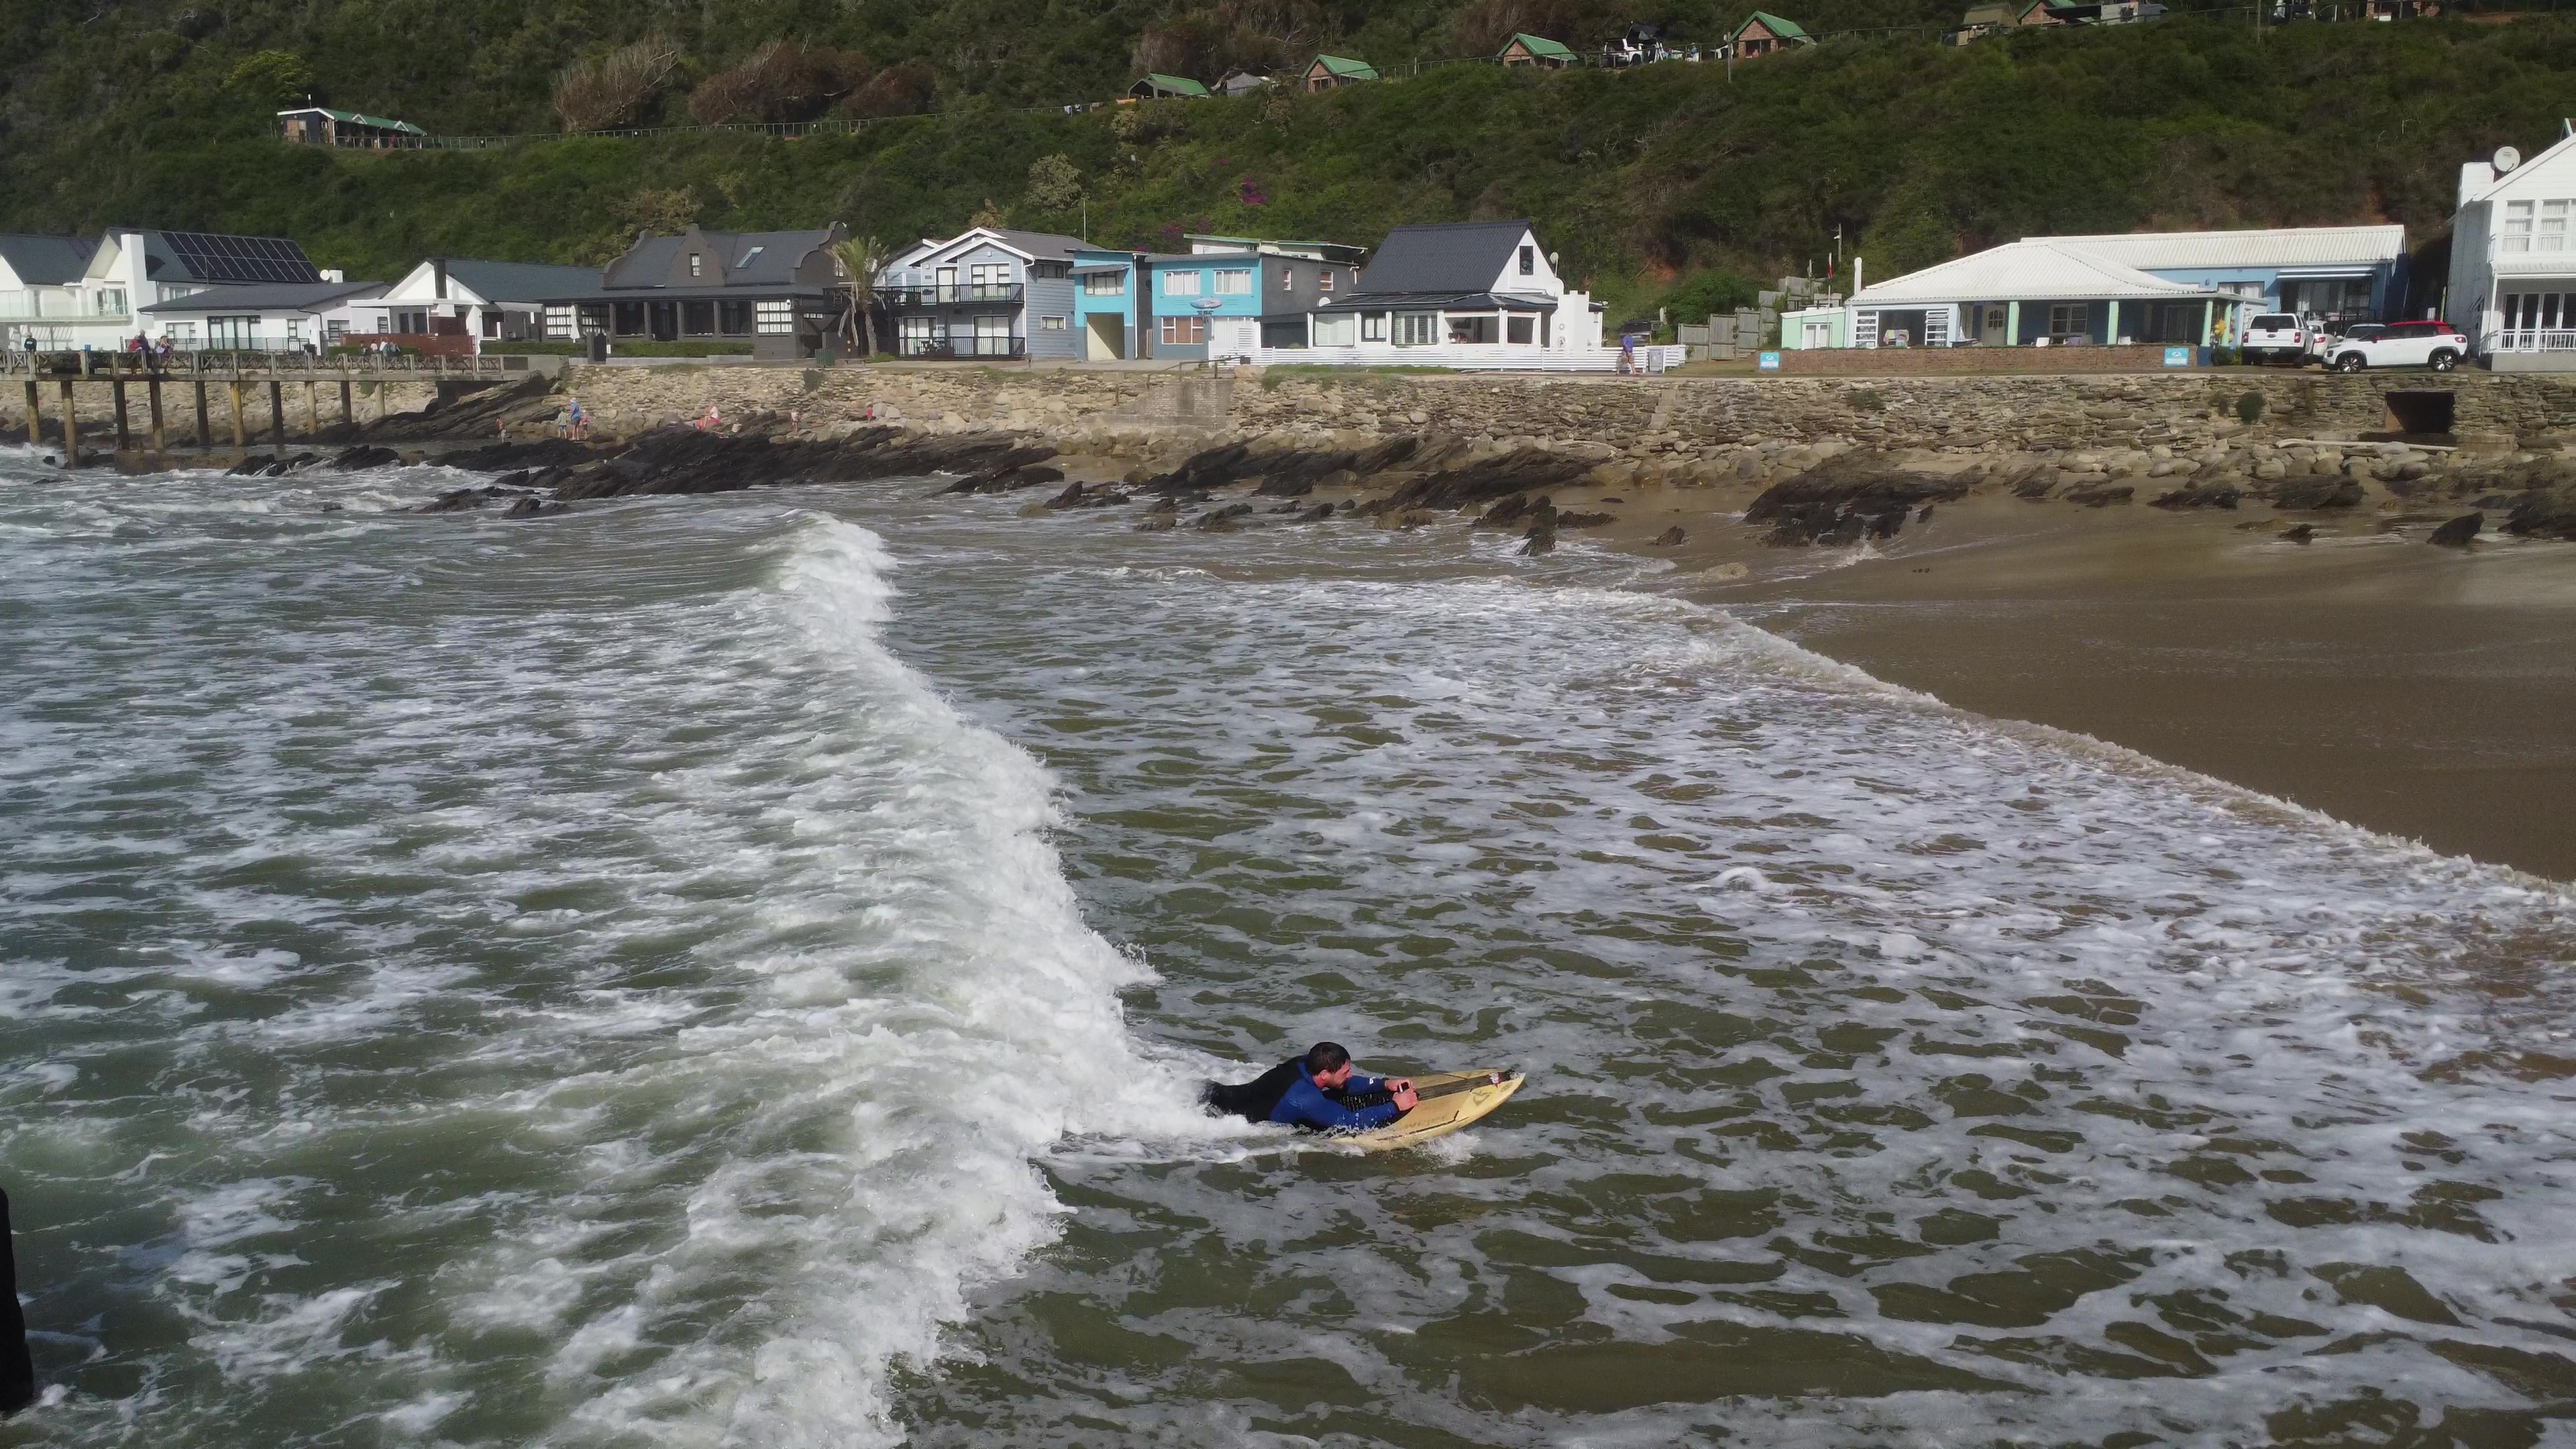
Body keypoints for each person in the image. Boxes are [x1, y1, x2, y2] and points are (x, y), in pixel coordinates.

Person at [1203, 1042, 1417, 1134]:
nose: (1350, 1076)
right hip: (1216, 1113)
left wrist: (1384, 1084)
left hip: (1220, 1092)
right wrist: (1395, 1106)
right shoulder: (1305, 1099)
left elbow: (1343, 1083)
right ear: (1324, 1074)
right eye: (1345, 1072)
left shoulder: (1308, 1061)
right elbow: (1350, 1122)